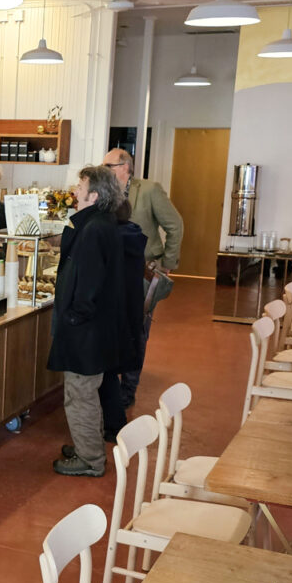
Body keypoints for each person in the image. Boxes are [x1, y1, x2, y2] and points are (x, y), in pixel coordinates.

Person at [47, 165, 133, 477]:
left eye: (81, 185)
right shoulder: (100, 223)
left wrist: (74, 316)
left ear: (94, 195)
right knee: (88, 392)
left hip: (87, 329)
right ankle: (88, 445)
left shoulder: (93, 229)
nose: (75, 190)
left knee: (79, 394)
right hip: (97, 327)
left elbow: (89, 283)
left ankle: (90, 459)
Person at [102, 148, 183, 407]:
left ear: (126, 166)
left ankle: (129, 388)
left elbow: (175, 225)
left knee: (137, 330)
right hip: (111, 271)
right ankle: (110, 384)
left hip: (143, 271)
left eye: (109, 165)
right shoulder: (105, 192)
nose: (104, 170)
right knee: (113, 328)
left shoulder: (149, 190)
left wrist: (168, 263)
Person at [98, 199, 147, 441]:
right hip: (129, 312)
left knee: (104, 371)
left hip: (114, 314)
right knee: (108, 373)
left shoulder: (113, 241)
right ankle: (113, 422)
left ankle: (112, 425)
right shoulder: (133, 235)